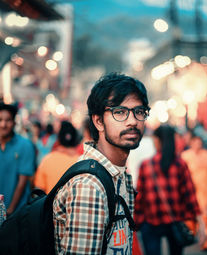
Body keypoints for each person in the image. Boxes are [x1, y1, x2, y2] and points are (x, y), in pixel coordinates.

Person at [52, 73, 150, 254]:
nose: (133, 121)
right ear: (98, 121)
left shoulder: (119, 174)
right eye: (120, 112)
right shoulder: (90, 186)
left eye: (139, 111)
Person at [134, 125, 201, 255]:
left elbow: (140, 198)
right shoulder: (180, 164)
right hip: (175, 220)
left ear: (158, 141)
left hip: (151, 221)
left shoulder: (146, 165)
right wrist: (197, 219)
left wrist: (136, 222)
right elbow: (189, 194)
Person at [181, 133, 207, 251]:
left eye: (199, 142)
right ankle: (193, 235)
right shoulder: (185, 156)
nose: (197, 145)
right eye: (195, 142)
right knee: (192, 216)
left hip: (206, 190)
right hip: (191, 191)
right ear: (191, 143)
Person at [0, 102, 35, 215]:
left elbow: (22, 182)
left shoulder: (25, 145)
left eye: (8, 120)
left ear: (14, 122)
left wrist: (9, 210)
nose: (3, 124)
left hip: (17, 213)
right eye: (0, 120)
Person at [34, 121, 81, 194]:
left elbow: (39, 189)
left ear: (58, 139)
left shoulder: (47, 160)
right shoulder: (81, 161)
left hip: (50, 204)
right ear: (75, 139)